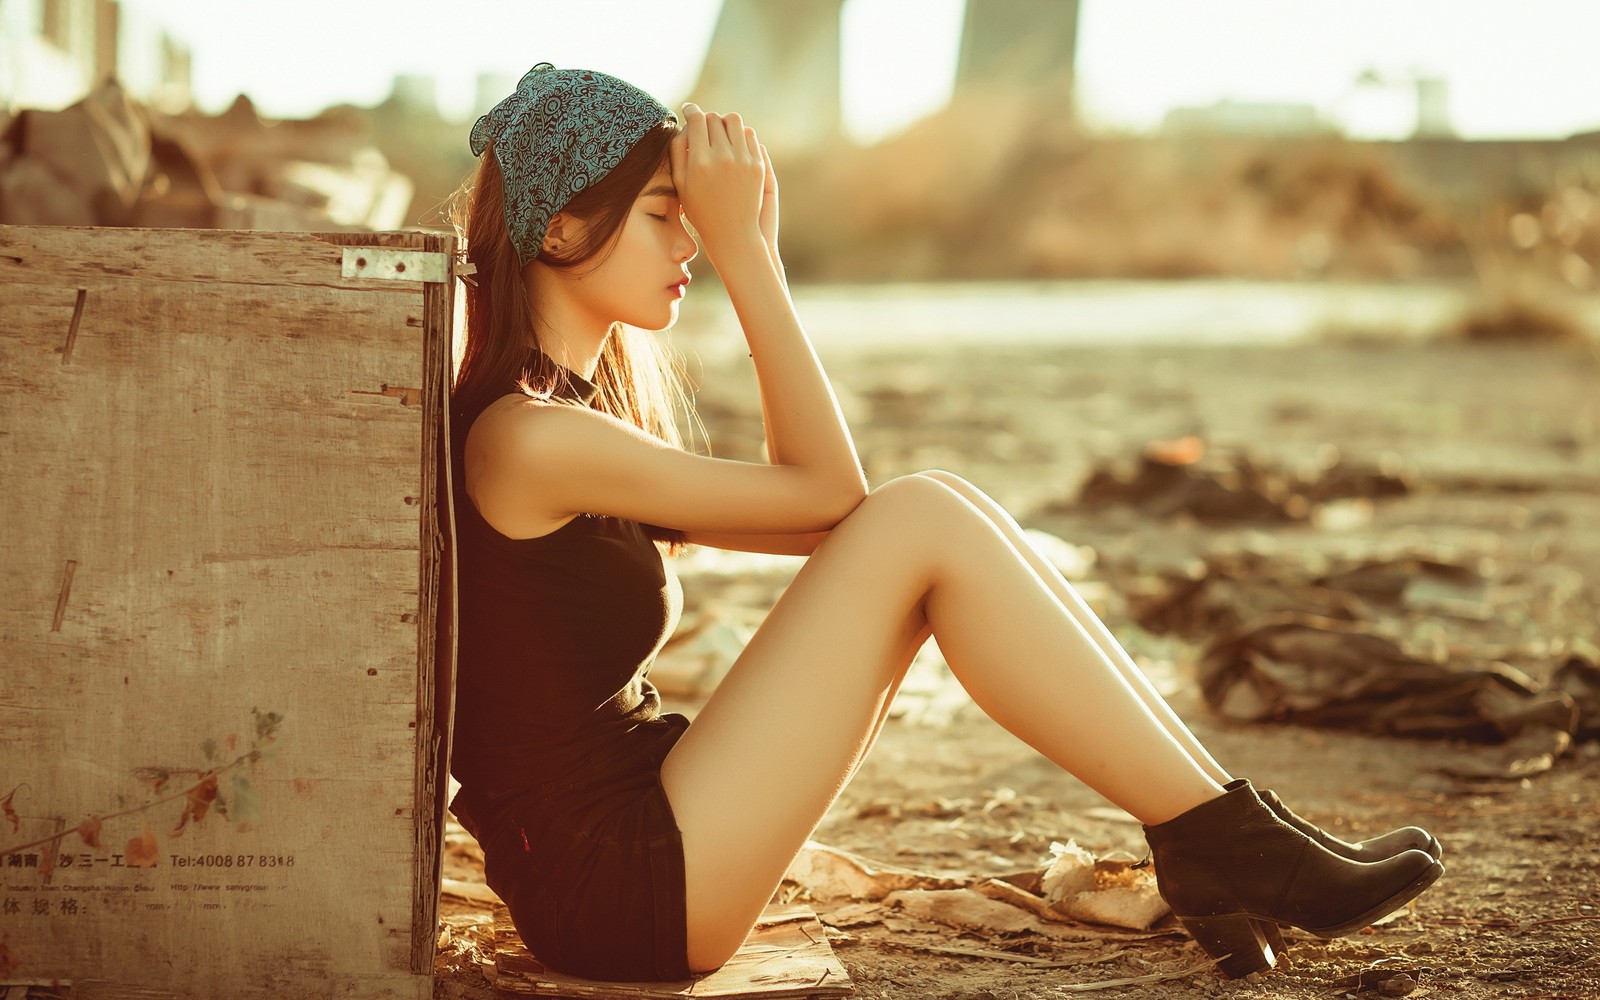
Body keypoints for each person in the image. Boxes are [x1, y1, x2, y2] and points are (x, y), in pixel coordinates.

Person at [443, 63, 1444, 985]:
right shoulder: (526, 440)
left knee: (937, 511)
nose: (691, 241)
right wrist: (754, 260)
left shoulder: (562, 421)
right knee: (922, 512)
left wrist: (749, 250)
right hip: (618, 885)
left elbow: (825, 525)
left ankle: (1220, 835)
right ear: (563, 231)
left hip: (646, 831)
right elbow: (836, 497)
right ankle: (1220, 842)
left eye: (694, 219)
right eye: (666, 214)